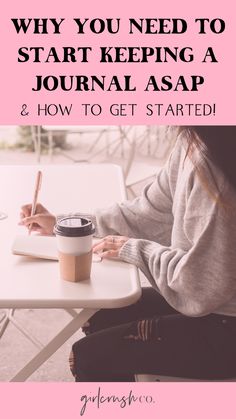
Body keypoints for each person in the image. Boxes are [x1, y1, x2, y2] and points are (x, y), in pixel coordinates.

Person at [20, 126, 236, 382]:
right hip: (210, 304)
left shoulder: (215, 170)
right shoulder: (194, 142)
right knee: (98, 315)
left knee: (89, 357)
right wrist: (67, 223)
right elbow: (148, 212)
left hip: (225, 327)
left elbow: (200, 285)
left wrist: (134, 249)